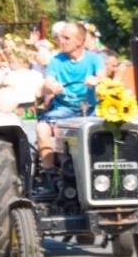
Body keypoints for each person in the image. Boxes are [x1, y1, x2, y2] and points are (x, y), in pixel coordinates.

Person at [36, 21, 115, 165]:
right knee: (42, 128)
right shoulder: (56, 61)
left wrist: (96, 81)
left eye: (66, 38)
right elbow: (46, 84)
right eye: (60, 37)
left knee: (114, 126)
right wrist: (52, 86)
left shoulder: (94, 59)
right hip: (63, 109)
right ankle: (50, 172)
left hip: (90, 109)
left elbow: (104, 82)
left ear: (80, 41)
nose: (61, 41)